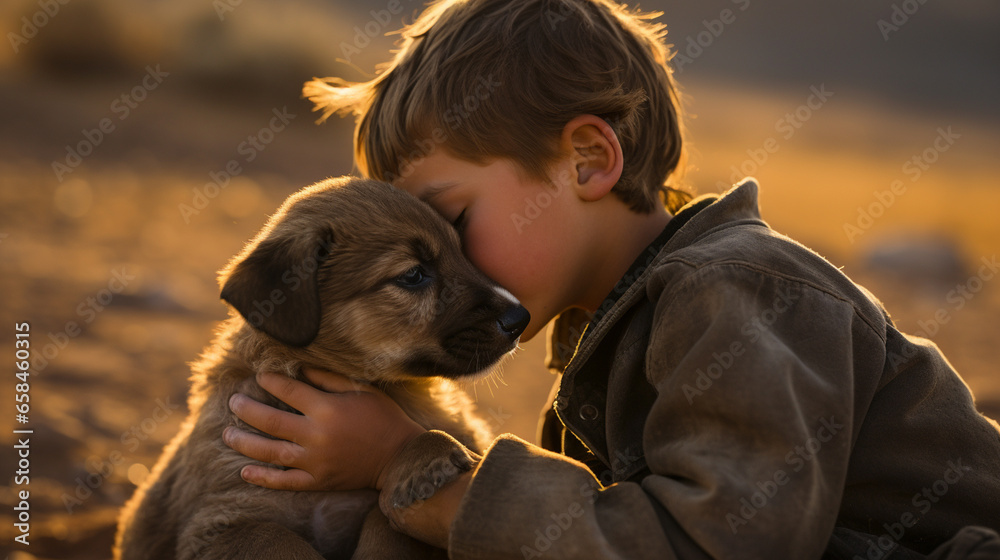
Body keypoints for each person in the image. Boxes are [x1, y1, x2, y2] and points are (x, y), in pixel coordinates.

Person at [221, 0, 1000, 557]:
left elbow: (722, 543)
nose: (459, 272)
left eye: (453, 223)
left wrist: (407, 463)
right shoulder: (609, 341)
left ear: (589, 161)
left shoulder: (733, 291)